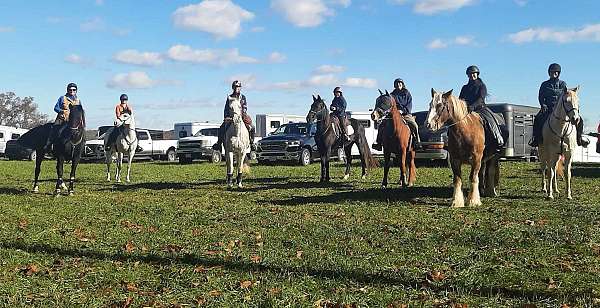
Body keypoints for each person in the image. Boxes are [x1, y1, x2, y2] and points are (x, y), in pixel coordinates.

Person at [529, 63, 589, 147]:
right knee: (537, 119)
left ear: (558, 73)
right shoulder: (544, 84)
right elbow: (540, 96)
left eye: (556, 72)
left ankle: (580, 138)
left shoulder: (563, 84)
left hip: (561, 109)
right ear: (549, 73)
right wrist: (543, 105)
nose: (554, 73)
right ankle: (536, 139)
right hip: (548, 108)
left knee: (580, 120)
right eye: (552, 72)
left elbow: (567, 96)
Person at [459, 65, 505, 150]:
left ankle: (497, 140)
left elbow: (481, 98)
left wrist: (473, 106)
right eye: (470, 74)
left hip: (480, 109)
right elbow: (460, 99)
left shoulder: (481, 86)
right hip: (466, 110)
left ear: (477, 74)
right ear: (468, 75)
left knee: (491, 122)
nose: (472, 75)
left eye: (474, 73)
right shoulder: (464, 88)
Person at [372, 78, 421, 151]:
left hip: (405, 114)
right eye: (397, 83)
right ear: (395, 85)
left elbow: (409, 105)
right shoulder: (392, 95)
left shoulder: (407, 94)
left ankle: (417, 143)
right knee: (382, 125)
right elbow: (389, 104)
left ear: (402, 84)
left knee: (414, 125)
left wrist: (403, 111)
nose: (398, 84)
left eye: (400, 83)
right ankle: (378, 143)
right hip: (394, 114)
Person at [212, 80, 256, 151]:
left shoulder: (243, 97)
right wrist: (226, 117)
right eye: (235, 87)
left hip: (241, 116)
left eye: (238, 87)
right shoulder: (229, 97)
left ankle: (252, 143)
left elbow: (245, 107)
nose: (237, 88)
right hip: (231, 117)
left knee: (252, 127)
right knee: (221, 128)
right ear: (233, 88)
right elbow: (226, 108)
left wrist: (242, 114)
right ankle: (219, 144)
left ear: (240, 88)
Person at [42, 83, 81, 152]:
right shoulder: (62, 98)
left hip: (73, 121)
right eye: (70, 89)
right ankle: (49, 145)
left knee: (81, 131)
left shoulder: (78, 100)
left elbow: (80, 111)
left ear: (76, 91)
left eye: (74, 90)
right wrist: (61, 111)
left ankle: (81, 147)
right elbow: (56, 108)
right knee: (55, 129)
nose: (72, 91)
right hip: (62, 119)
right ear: (67, 90)